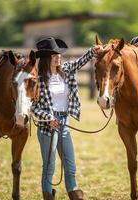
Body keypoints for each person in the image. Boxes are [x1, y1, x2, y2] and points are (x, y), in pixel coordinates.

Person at [31, 37, 102, 200]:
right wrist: (48, 117)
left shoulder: (66, 70)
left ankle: (73, 191)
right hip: (47, 125)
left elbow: (80, 62)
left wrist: (92, 51)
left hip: (64, 122)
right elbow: (33, 107)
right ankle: (48, 194)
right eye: (55, 55)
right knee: (49, 165)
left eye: (59, 54)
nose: (59, 57)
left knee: (70, 163)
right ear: (47, 58)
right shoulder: (38, 79)